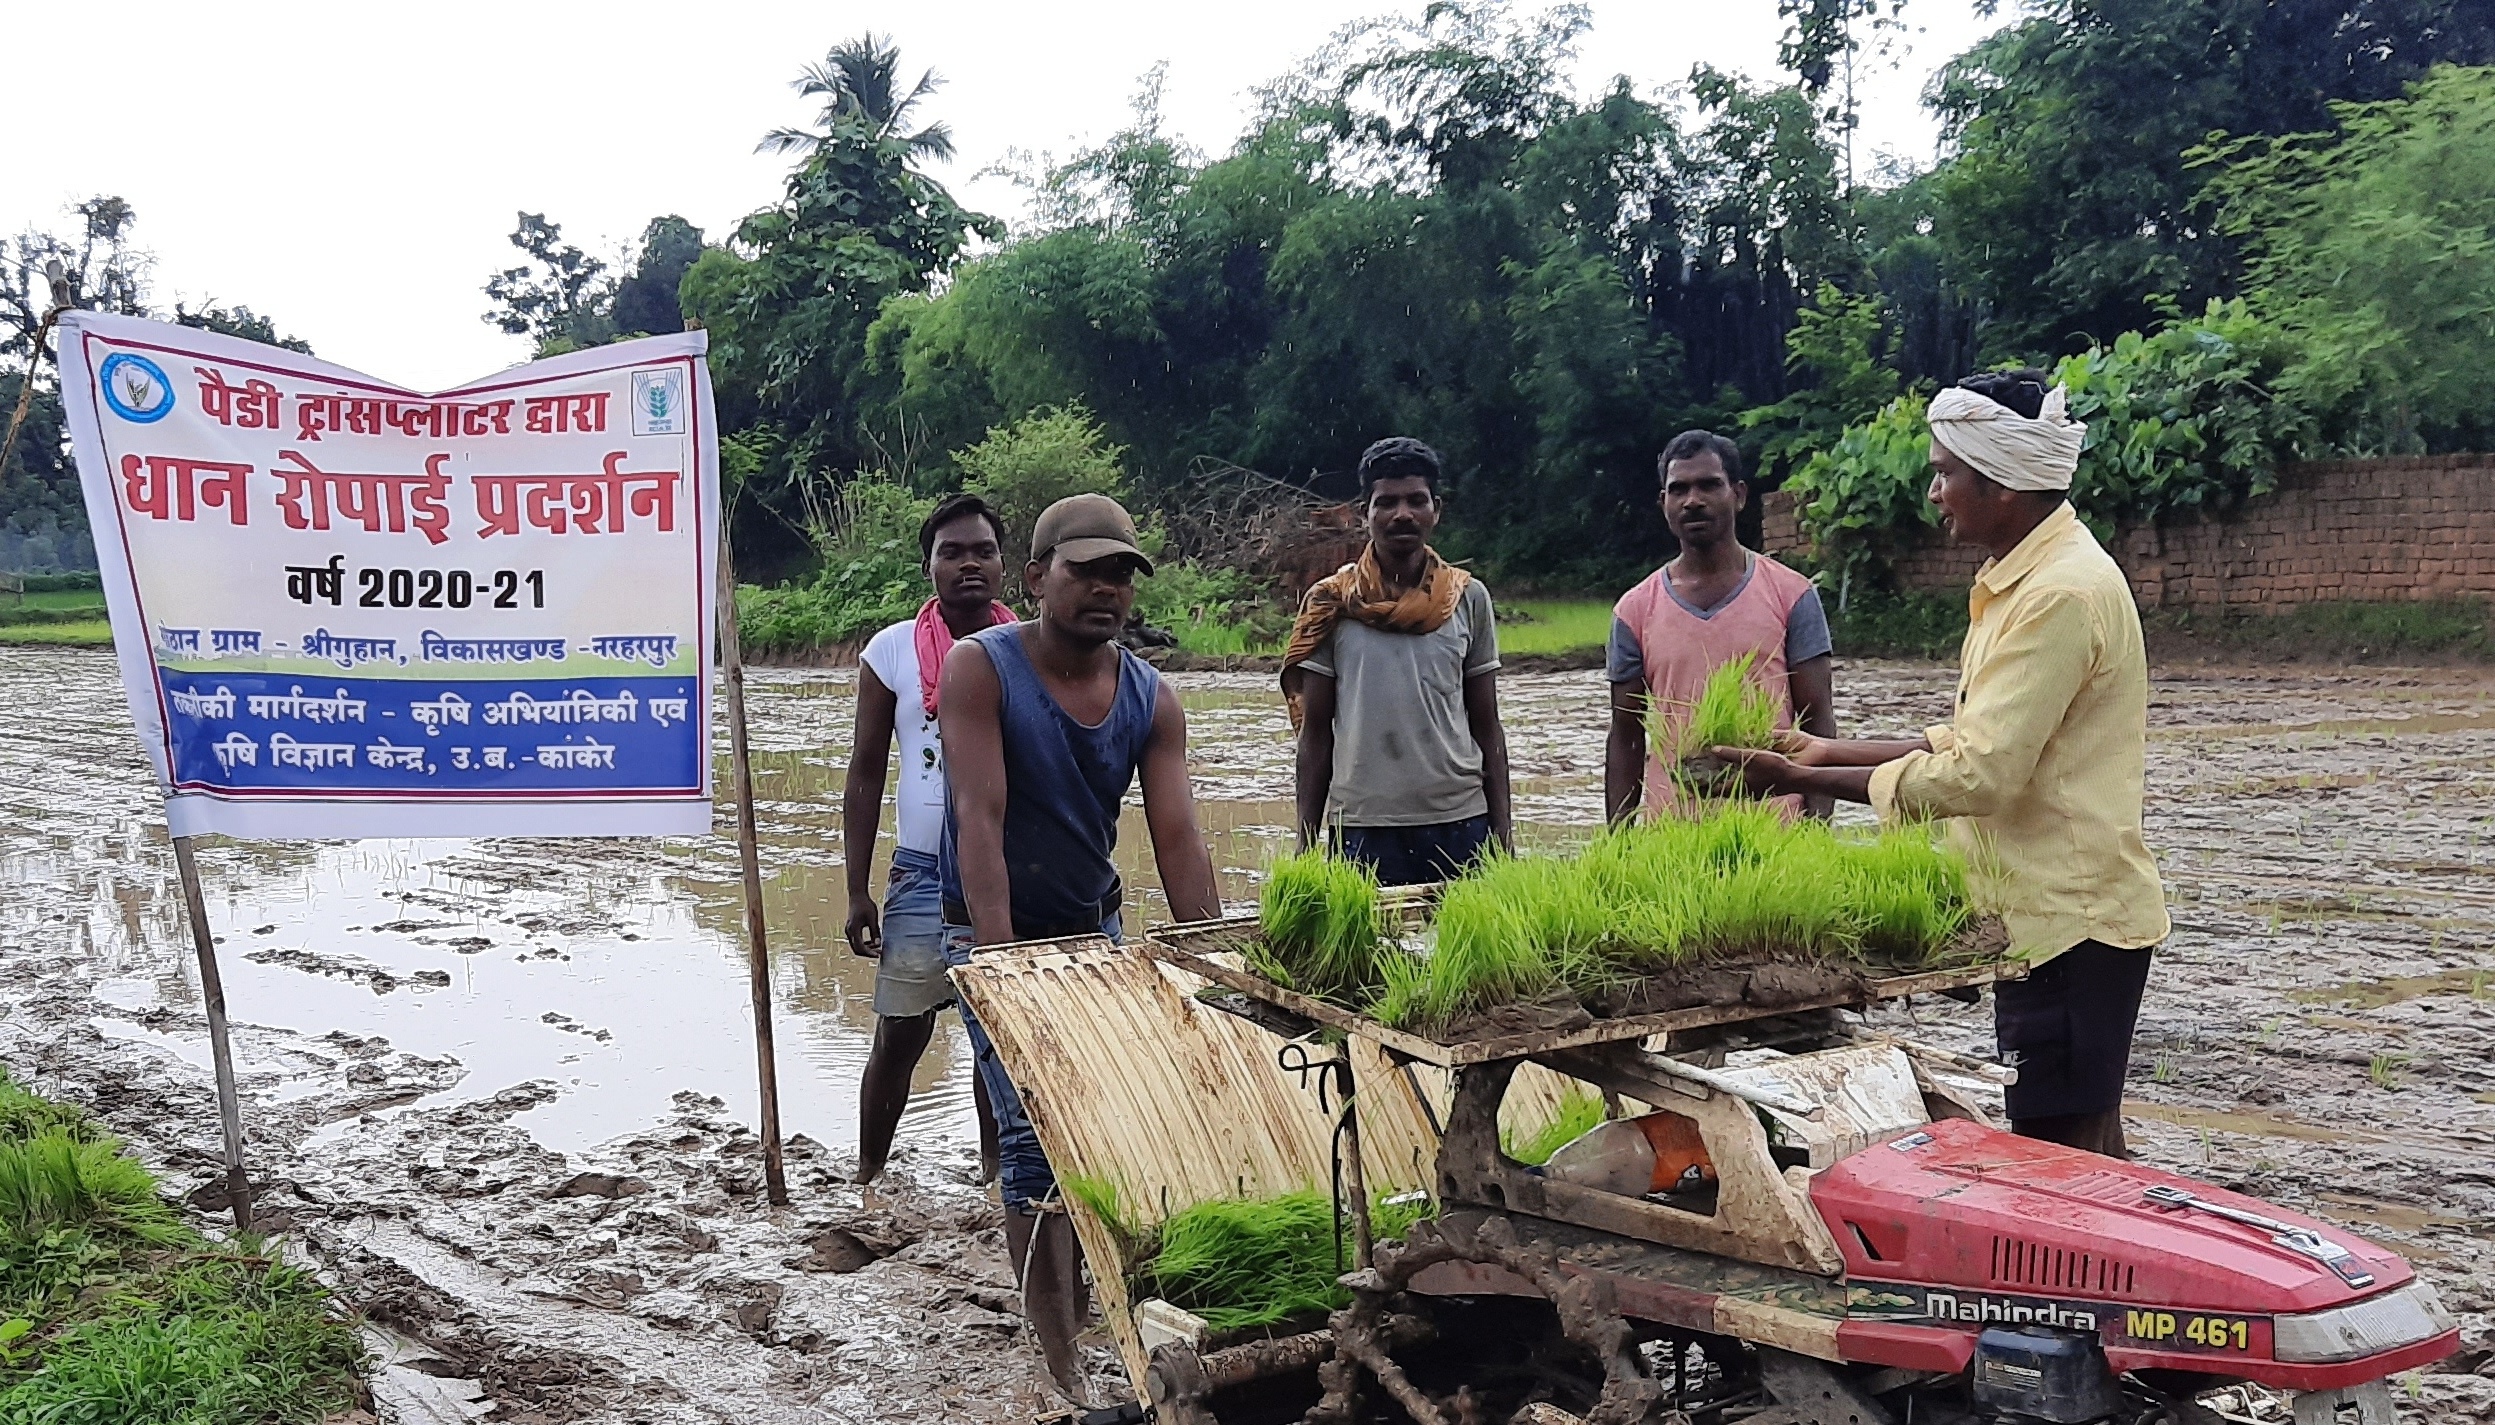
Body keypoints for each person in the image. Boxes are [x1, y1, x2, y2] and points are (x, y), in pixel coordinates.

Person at [1723, 370, 2168, 1159]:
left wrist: (1800, 779)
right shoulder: (2025, 579)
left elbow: (1979, 777)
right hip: (2048, 919)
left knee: (2066, 1159)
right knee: (2078, 1148)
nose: (1934, 491)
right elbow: (1974, 741)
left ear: (1999, 484)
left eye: (1944, 472)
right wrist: (1829, 750)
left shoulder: (2057, 594)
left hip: (2068, 924)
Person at [938, 491, 1223, 1397]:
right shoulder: (981, 670)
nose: (1104, 590)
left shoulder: (1150, 695)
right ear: (1036, 578)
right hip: (991, 930)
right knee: (1032, 1140)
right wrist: (1001, 964)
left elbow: (1176, 838)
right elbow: (977, 816)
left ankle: (1092, 1312)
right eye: (1083, 570)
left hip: (1092, 928)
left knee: (1096, 1132)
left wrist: (1212, 956)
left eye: (1119, 575)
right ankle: (1059, 1362)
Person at [841, 494, 1012, 1187]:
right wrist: (855, 890)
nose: (968, 563)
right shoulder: (890, 652)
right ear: (928, 567)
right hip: (919, 870)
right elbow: (864, 772)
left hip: (1004, 868)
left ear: (1006, 565)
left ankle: (1000, 1178)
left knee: (997, 1039)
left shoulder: (1031, 647)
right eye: (952, 551)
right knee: (900, 1030)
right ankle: (867, 1174)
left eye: (982, 550)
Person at [1283, 437, 1513, 885]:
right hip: (1363, 826)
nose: (1401, 514)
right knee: (1364, 955)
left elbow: (1487, 723)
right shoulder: (1331, 603)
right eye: (1386, 502)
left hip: (1461, 819)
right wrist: (1306, 840)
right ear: (1365, 513)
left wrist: (1503, 832)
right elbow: (1316, 733)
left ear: (1436, 509)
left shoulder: (1468, 598)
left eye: (1415, 500)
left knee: (1471, 952)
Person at [1604, 430, 1838, 824]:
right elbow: (1626, 735)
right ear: (1664, 504)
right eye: (1678, 490)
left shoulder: (1792, 596)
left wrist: (1816, 825)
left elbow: (1818, 720)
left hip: (1776, 833)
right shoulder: (1634, 610)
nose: (1693, 501)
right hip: (1672, 838)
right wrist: (1619, 843)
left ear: (1739, 495)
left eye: (1709, 485)